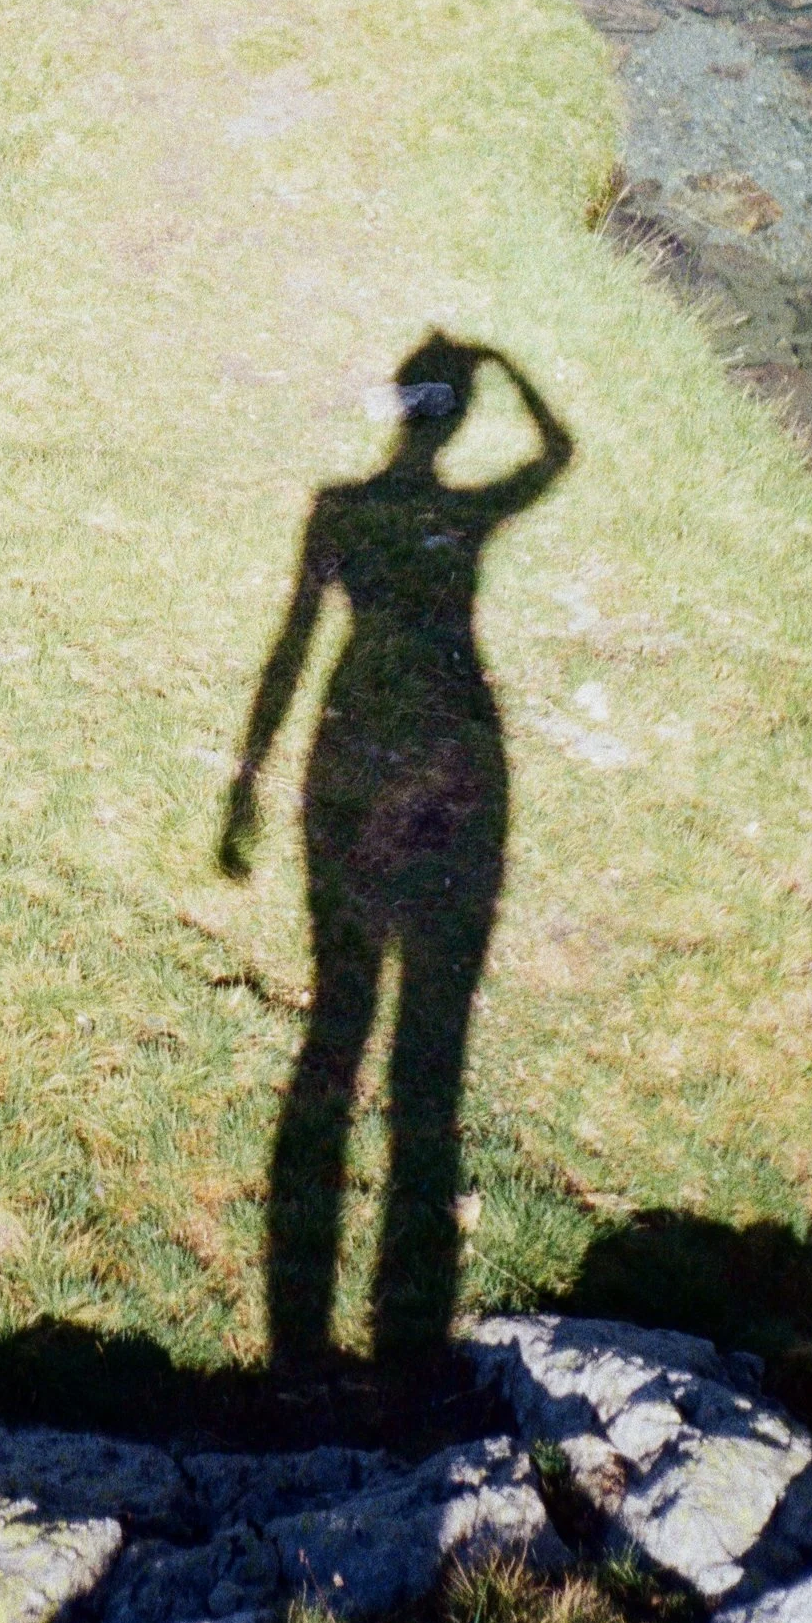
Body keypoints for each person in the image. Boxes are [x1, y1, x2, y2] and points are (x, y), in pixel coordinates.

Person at [221, 336, 573, 1367]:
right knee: (430, 1044)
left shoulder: (338, 508)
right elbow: (557, 454)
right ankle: (402, 1340)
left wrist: (245, 779)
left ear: (403, 414)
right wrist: (510, 368)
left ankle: (300, 1343)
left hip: (349, 737)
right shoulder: (461, 516)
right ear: (455, 418)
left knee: (337, 1017)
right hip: (460, 749)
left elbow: (291, 641)